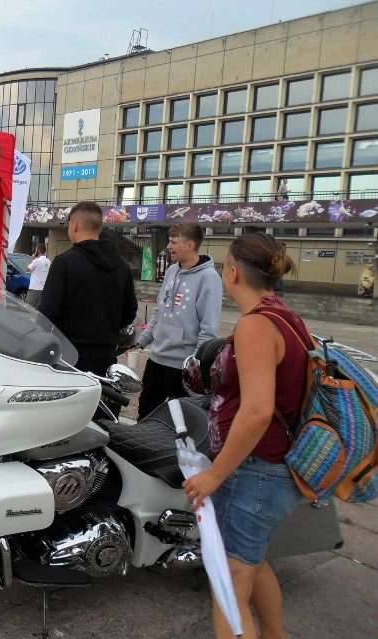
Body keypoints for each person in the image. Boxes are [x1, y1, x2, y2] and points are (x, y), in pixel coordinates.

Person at [182, 233, 306, 639]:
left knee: (229, 591)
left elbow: (256, 412)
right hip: (273, 470)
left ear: (232, 272)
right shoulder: (286, 317)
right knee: (252, 564)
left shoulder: (256, 325)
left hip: (254, 473)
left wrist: (214, 474)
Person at [38, 201, 137, 375]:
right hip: (106, 356)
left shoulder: (64, 262)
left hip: (68, 357)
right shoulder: (122, 266)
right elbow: (130, 312)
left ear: (75, 225)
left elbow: (47, 312)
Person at [135, 223, 222, 419]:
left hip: (182, 367)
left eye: (173, 242)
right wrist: (143, 339)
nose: (168, 246)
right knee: (146, 415)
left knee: (180, 422)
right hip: (157, 360)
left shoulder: (209, 278)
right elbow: (160, 309)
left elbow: (209, 328)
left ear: (190, 245)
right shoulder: (172, 271)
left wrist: (194, 364)